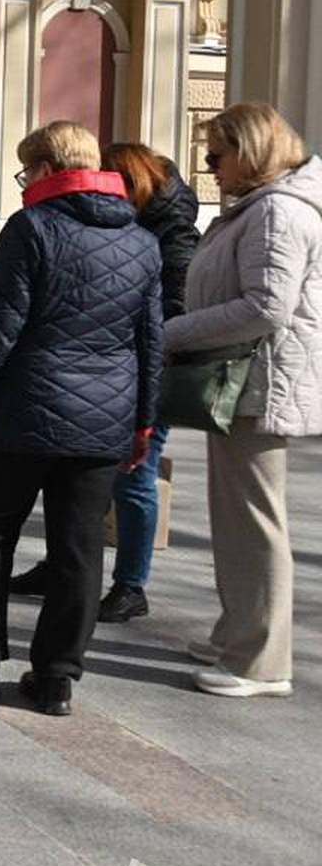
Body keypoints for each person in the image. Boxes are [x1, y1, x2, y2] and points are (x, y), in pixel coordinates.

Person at [0, 121, 161, 716]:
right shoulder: (141, 239)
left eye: (26, 170)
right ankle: (56, 678)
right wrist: (142, 424)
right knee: (80, 548)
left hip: (22, 412)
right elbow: (150, 341)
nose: (22, 182)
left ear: (47, 169)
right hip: (105, 419)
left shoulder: (31, 227)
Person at [165, 103, 322, 699]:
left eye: (217, 155)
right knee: (236, 519)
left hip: (259, 383)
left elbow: (266, 306)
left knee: (254, 523)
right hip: (243, 381)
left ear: (250, 151)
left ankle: (260, 661)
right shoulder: (261, 207)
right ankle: (238, 632)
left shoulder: (278, 211)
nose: (209, 167)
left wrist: (173, 334)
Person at [10, 142, 201, 623]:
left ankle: (131, 585)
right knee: (76, 480)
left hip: (146, 370)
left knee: (135, 478)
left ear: (129, 183)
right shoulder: (131, 221)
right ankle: (61, 565)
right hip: (106, 365)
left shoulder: (171, 233)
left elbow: (172, 309)